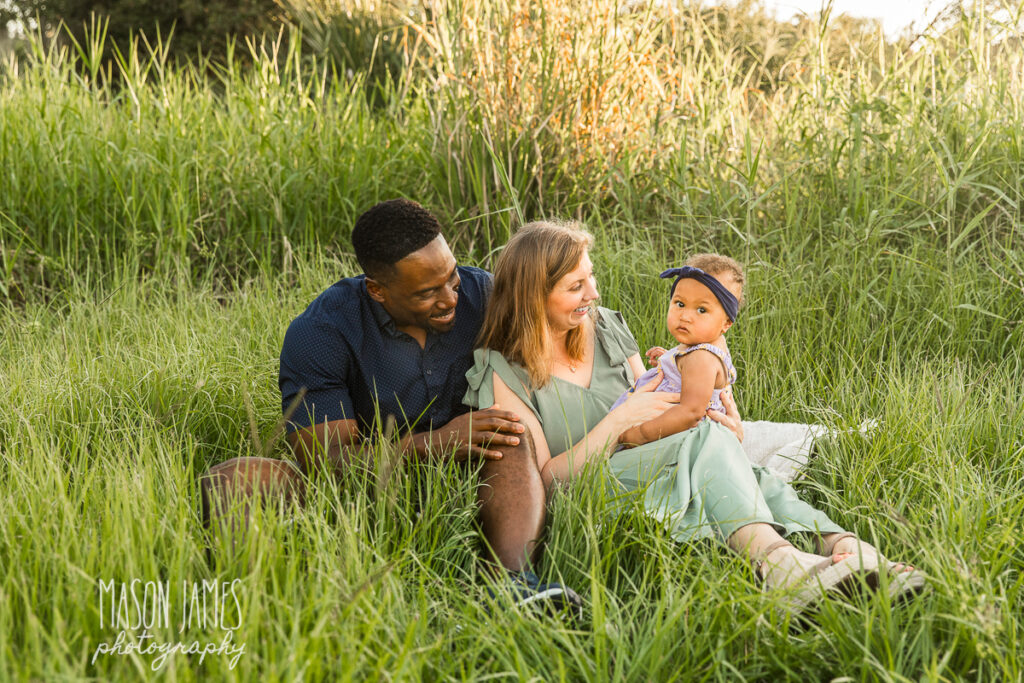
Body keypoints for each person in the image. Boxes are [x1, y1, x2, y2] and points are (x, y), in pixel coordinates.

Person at [463, 220, 925, 619]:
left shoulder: (602, 326)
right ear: (531, 294)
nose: (594, 293)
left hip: (650, 461)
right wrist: (616, 424)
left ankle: (842, 551)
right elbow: (545, 482)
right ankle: (784, 562)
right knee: (703, 440)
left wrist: (732, 421)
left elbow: (664, 395)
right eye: (575, 286)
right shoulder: (502, 369)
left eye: (592, 276)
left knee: (717, 441)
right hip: (591, 489)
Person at [202, 198, 580, 613]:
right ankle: (262, 605)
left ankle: (511, 587)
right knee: (233, 478)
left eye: (451, 279)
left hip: (471, 477)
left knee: (509, 432)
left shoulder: (484, 294)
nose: (450, 298)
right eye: (426, 293)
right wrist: (432, 444)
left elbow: (561, 352)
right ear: (378, 290)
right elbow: (323, 461)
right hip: (358, 491)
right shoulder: (320, 332)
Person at [610, 254, 745, 448]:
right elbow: (690, 378)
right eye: (680, 304)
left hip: (675, 439)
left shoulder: (701, 358)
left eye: (701, 310)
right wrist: (671, 363)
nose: (685, 316)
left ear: (726, 323)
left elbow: (690, 413)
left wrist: (641, 433)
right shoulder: (701, 348)